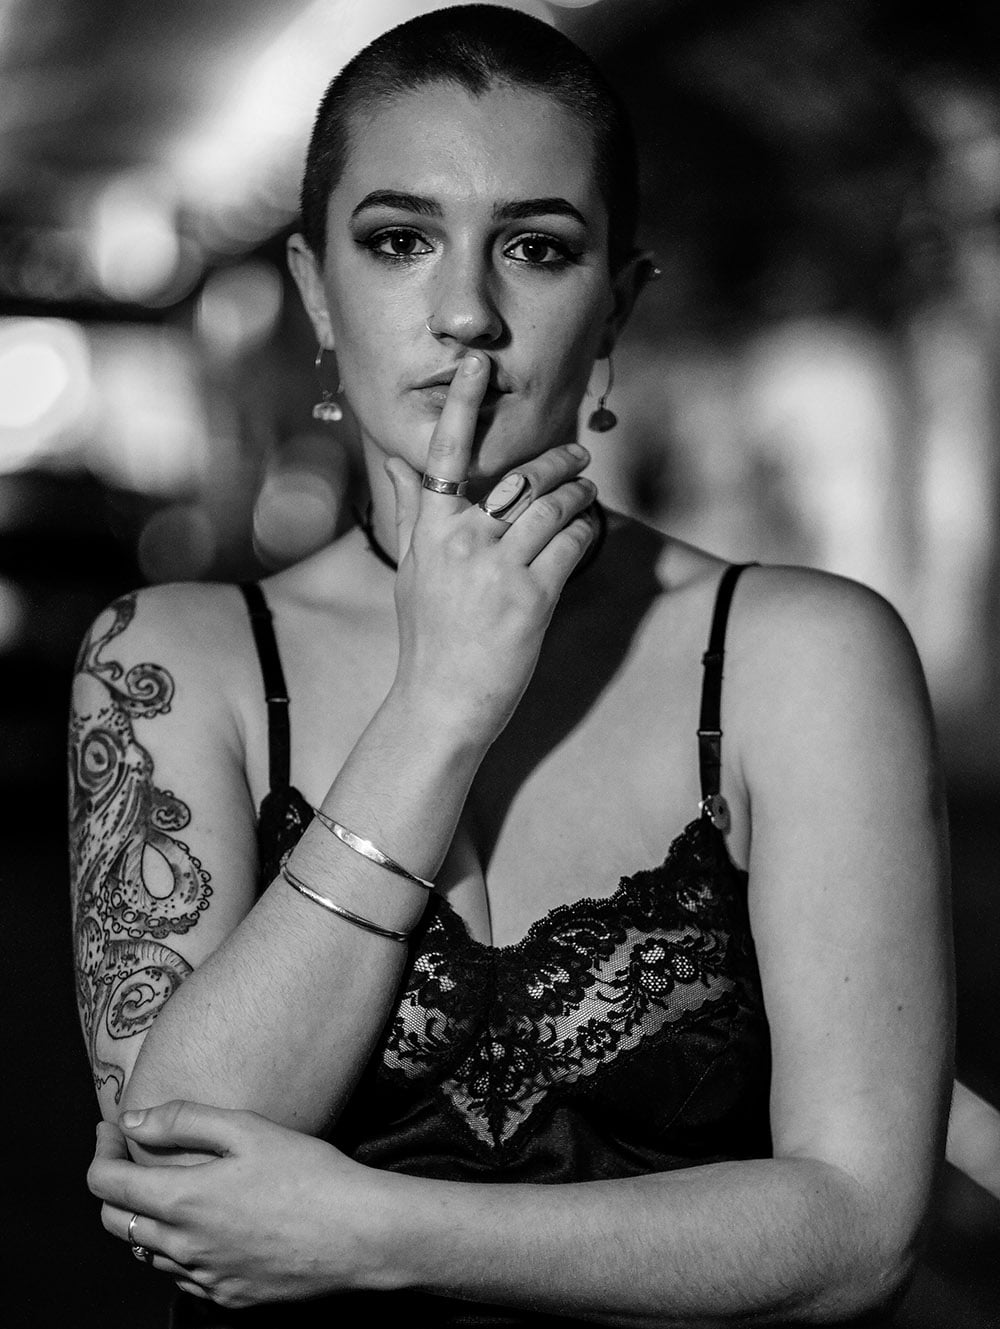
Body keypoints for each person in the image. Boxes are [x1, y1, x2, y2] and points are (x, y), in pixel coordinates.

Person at [75, 6, 953, 1325]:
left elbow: (858, 1231)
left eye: (537, 248)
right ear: (315, 289)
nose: (465, 313)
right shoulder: (170, 659)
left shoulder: (802, 655)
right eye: (399, 241)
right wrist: (438, 705)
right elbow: (173, 1165)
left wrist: (374, 1230)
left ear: (617, 304)